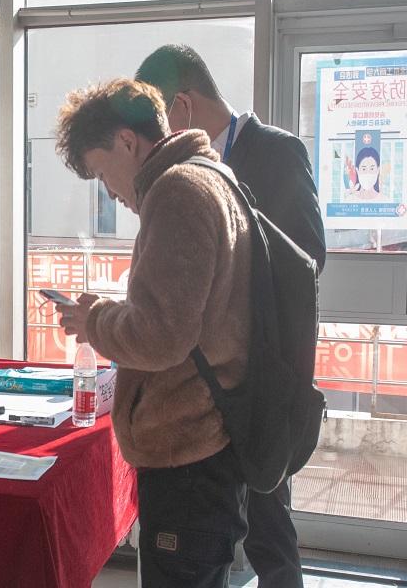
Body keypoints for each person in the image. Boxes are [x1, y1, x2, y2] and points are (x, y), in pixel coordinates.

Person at [135, 44, 327, 588]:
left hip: (262, 372)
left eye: (160, 119)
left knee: (270, 523)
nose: (158, 138)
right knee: (213, 531)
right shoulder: (181, 172)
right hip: (205, 384)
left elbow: (309, 257)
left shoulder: (277, 150)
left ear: (182, 104)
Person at [54, 78, 253, 587]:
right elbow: (186, 316)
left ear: (127, 141)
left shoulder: (177, 192)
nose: (109, 192)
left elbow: (161, 336)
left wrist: (95, 320)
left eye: (103, 173)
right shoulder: (210, 176)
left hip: (188, 458)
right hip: (208, 450)